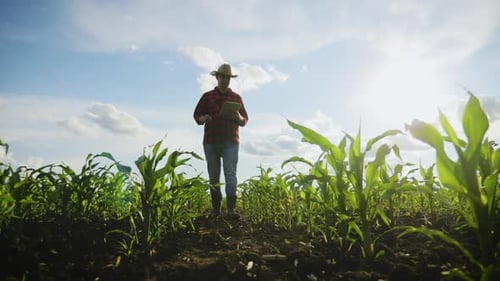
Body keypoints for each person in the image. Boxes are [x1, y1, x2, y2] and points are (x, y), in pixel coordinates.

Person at [193, 63, 249, 220]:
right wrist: (203, 118)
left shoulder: (236, 98)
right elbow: (197, 116)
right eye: (222, 77)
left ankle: (231, 210)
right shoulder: (207, 96)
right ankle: (216, 209)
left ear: (230, 79)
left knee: (230, 174)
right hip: (211, 141)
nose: (225, 80)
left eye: (227, 78)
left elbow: (245, 120)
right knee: (214, 176)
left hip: (231, 141)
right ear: (217, 77)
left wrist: (239, 118)